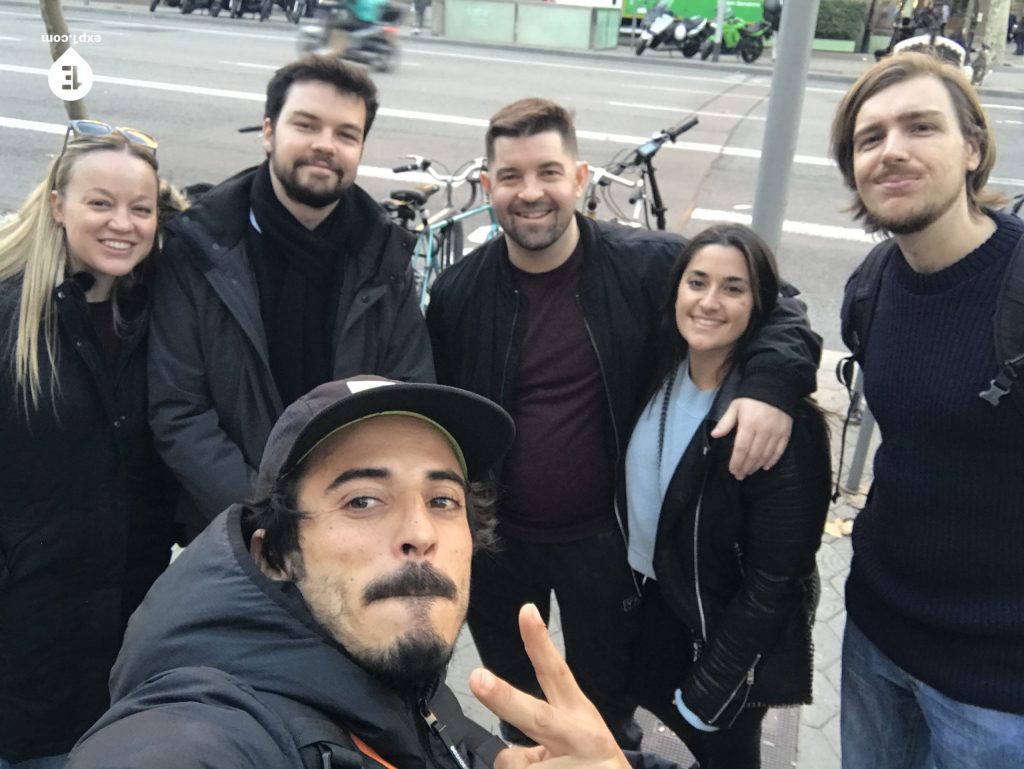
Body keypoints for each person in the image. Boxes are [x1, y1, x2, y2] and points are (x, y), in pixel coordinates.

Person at [426, 98, 821, 749]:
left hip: (605, 545)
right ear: (488, 186)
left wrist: (773, 384)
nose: (532, 193)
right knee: (519, 707)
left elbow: (774, 304)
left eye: (548, 172)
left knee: (604, 707)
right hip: (496, 547)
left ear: (580, 179)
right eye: (513, 176)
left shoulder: (648, 265)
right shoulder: (458, 294)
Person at [65, 375, 661, 769]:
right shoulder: (208, 730)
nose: (420, 534)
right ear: (275, 555)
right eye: (363, 501)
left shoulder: (399, 683)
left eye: (443, 501)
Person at [830, 52, 1024, 767]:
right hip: (875, 634)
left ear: (973, 147)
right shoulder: (874, 283)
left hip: (996, 687)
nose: (893, 151)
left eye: (921, 126)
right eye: (870, 137)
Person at [148, 55, 433, 542]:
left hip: (351, 534)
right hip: (231, 533)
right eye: (306, 124)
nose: (325, 145)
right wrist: (267, 520)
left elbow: (406, 398)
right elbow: (180, 411)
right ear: (268, 131)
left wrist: (348, 510)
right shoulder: (199, 248)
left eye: (346, 134)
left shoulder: (384, 257)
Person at [0, 121, 179, 768]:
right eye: (99, 203)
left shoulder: (159, 311)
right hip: (23, 652)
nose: (122, 224)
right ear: (57, 204)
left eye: (141, 208)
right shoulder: (10, 314)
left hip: (123, 652)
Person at [624, 224, 831, 769]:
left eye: (733, 288)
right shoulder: (658, 369)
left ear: (759, 303)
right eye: (697, 282)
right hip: (649, 611)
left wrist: (710, 691)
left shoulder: (782, 428)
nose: (709, 302)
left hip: (717, 639)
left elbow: (776, 582)